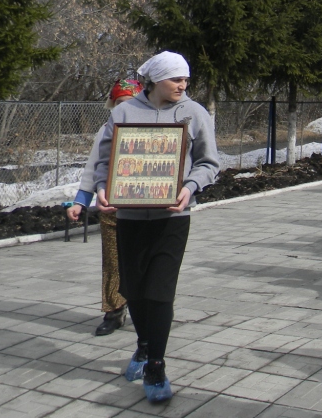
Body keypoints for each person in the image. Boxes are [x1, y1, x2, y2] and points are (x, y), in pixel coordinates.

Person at [92, 51, 219, 403]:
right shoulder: (124, 112)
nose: (183, 85)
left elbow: (210, 162)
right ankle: (143, 346)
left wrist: (189, 187)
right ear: (156, 80)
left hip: (172, 218)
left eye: (186, 79)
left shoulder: (194, 113)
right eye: (176, 79)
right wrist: (103, 189)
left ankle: (156, 365)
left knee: (160, 290)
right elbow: (104, 160)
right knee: (134, 288)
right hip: (130, 217)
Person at [66, 78, 144, 336]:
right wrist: (81, 200)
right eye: (120, 103)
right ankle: (114, 311)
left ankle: (150, 309)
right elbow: (93, 166)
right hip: (112, 205)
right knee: (113, 261)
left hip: (148, 207)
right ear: (112, 105)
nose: (125, 108)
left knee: (147, 261)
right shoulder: (106, 130)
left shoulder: (155, 127)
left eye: (131, 102)